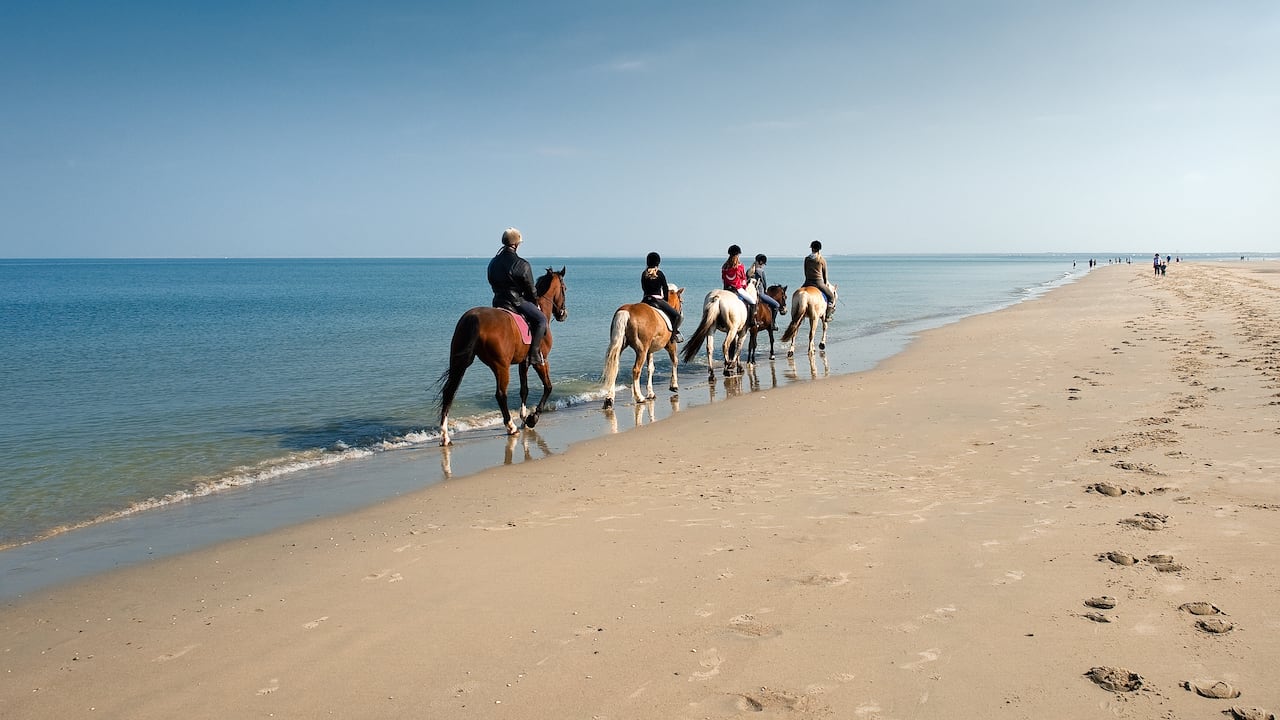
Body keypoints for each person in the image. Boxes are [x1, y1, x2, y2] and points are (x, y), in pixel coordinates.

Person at [487, 227, 548, 367]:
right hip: (516, 302)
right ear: (516, 244)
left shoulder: (492, 262)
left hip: (497, 301)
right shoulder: (522, 264)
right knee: (541, 320)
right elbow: (531, 290)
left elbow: (491, 281)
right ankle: (534, 355)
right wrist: (535, 303)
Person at [640, 251, 683, 343]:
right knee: (677, 316)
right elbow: (665, 288)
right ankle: (673, 336)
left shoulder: (644, 274)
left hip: (645, 300)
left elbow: (643, 288)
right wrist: (666, 300)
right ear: (658, 263)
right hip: (657, 301)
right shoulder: (660, 274)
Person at [721, 244, 756, 327]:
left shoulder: (724, 266)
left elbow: (723, 280)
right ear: (738, 255)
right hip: (737, 289)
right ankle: (751, 321)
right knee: (753, 302)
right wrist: (744, 287)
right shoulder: (740, 266)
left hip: (726, 290)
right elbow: (743, 279)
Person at [803, 240, 837, 321]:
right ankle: (827, 316)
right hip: (818, 283)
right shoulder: (821, 260)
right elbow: (825, 276)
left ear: (812, 248)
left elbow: (805, 272)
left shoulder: (807, 259)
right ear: (819, 249)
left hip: (807, 282)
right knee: (831, 297)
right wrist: (825, 284)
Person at [747, 253, 780, 331]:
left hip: (749, 294)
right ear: (761, 262)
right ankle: (772, 324)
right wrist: (765, 290)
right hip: (760, 294)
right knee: (776, 305)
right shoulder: (760, 271)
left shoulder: (749, 270)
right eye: (763, 264)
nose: (763, 265)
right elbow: (765, 284)